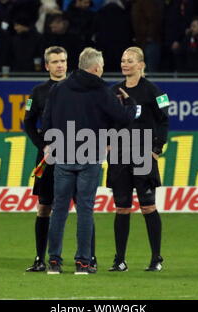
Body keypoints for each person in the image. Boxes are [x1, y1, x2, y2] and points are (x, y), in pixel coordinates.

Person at [42, 47, 139, 275]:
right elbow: (124, 117)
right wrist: (130, 102)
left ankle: (54, 262)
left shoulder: (58, 88)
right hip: (90, 155)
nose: (103, 69)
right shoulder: (102, 91)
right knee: (85, 210)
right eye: (103, 66)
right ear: (96, 67)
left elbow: (46, 122)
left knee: (59, 210)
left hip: (63, 155)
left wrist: (53, 143)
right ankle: (83, 263)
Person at [24, 46, 97, 272]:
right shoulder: (37, 92)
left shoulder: (79, 89)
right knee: (45, 207)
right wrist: (43, 145)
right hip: (48, 158)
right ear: (47, 66)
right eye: (55, 61)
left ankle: (89, 258)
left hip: (78, 155)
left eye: (63, 61)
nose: (60, 65)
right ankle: (40, 258)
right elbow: (28, 122)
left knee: (84, 207)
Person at [107, 46, 168, 272]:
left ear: (141, 65)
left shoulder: (155, 92)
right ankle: (119, 260)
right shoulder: (113, 91)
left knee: (148, 206)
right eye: (123, 60)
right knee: (121, 208)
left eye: (130, 60)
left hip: (143, 155)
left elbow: (164, 120)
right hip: (120, 156)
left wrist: (156, 149)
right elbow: (106, 120)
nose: (125, 64)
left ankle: (156, 258)